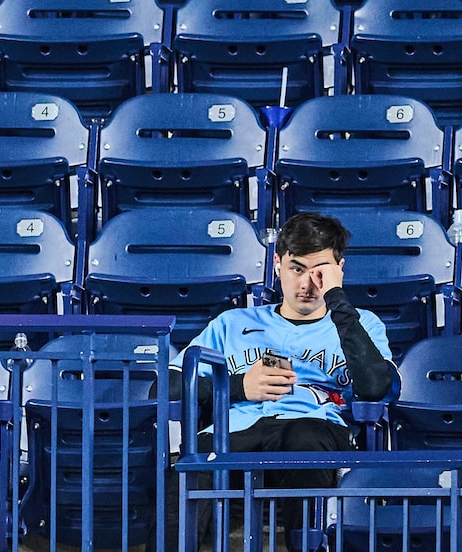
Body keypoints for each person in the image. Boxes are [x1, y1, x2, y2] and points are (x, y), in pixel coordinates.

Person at [169, 211, 396, 549]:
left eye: (319, 272)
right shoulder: (232, 322)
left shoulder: (362, 323)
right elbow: (168, 388)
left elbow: (378, 388)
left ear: (338, 270)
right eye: (297, 269)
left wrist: (337, 300)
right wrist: (238, 386)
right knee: (192, 463)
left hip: (314, 428)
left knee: (306, 438)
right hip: (235, 430)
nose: (306, 284)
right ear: (277, 264)